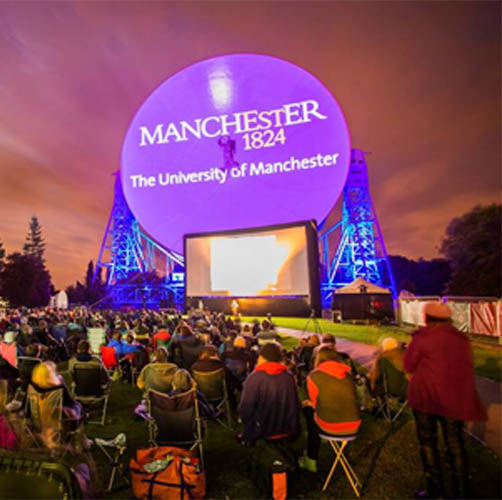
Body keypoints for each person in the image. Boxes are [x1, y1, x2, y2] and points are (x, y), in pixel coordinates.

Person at [404, 302, 487, 499]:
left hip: (427, 398)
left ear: (427, 318)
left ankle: (435, 490)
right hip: (454, 399)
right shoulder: (461, 339)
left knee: (428, 442)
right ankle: (462, 490)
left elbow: (409, 365)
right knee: (455, 444)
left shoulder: (423, 338)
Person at [299, 347, 361, 473]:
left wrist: (306, 403)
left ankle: (311, 458)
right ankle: (319, 441)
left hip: (330, 426)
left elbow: (315, 404)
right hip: (353, 425)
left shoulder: (314, 376)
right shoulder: (348, 375)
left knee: (309, 411)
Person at [237, 342, 300, 445]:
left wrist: (244, 420)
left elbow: (246, 407)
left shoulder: (255, 377)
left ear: (262, 357)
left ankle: (247, 437)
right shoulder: (289, 376)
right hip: (287, 427)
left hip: (263, 429)